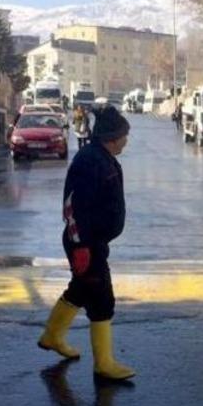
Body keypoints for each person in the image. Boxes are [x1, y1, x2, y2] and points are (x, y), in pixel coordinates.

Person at [37, 105, 135, 381]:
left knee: (81, 289)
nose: (126, 141)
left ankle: (52, 336)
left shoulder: (102, 157)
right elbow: (73, 207)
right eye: (125, 136)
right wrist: (81, 246)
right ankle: (104, 364)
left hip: (93, 241)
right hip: (85, 243)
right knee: (102, 299)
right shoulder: (90, 161)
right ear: (112, 138)